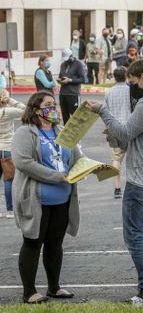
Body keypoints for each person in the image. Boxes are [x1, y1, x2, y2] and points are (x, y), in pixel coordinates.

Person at [86, 59, 143, 306]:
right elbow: (137, 138)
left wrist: (102, 111)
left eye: (133, 81)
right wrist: (118, 139)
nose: (131, 87)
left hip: (141, 183)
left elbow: (126, 132)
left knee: (135, 236)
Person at [11, 91, 83, 304]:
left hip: (62, 200)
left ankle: (54, 287)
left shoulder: (62, 131)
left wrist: (91, 166)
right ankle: (29, 292)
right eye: (49, 105)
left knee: (55, 244)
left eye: (55, 104)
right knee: (33, 243)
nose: (54, 109)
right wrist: (55, 176)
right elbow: (23, 162)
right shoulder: (26, 132)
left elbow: (77, 157)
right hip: (36, 200)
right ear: (36, 110)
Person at [104, 67, 131, 198]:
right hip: (130, 128)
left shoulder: (108, 92)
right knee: (133, 158)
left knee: (116, 160)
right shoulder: (130, 91)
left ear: (114, 77)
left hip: (114, 129)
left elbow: (106, 112)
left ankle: (117, 188)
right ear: (126, 76)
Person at [0, 89, 25, 219]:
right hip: (6, 148)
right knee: (9, 179)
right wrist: (10, 100)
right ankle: (10, 210)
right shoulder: (6, 112)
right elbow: (25, 109)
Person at [58, 48, 86, 125]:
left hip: (73, 94)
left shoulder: (78, 64)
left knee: (75, 117)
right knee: (65, 117)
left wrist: (70, 80)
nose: (66, 60)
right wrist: (60, 80)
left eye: (67, 58)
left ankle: (76, 134)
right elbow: (61, 76)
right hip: (63, 94)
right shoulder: (63, 65)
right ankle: (66, 135)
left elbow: (83, 79)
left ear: (71, 56)